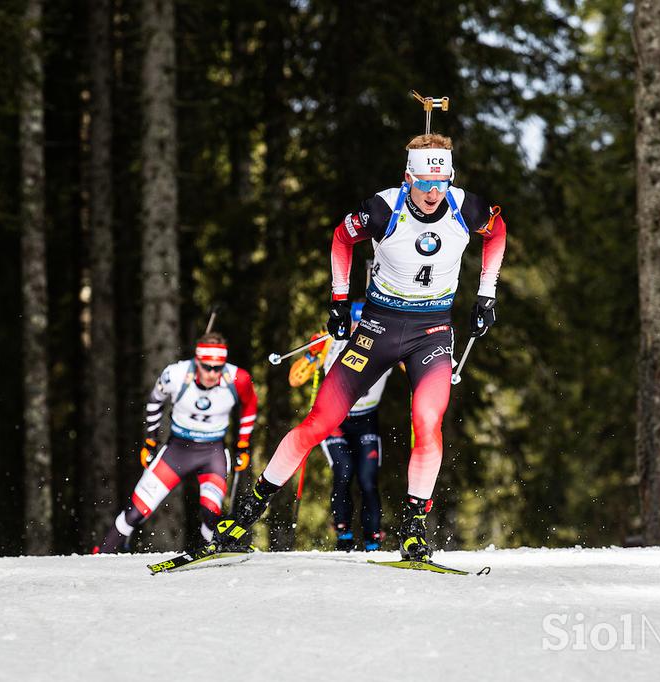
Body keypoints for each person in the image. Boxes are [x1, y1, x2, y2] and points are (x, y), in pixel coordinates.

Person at [212, 132, 507, 561]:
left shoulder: (466, 207)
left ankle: (412, 529)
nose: (431, 193)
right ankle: (241, 518)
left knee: (428, 423)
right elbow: (340, 238)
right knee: (318, 422)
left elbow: (496, 234)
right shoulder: (384, 208)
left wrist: (486, 294)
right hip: (377, 327)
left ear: (450, 179)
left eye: (439, 183)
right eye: (423, 183)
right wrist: (337, 298)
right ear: (408, 178)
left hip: (432, 331)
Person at [98, 332, 258, 552]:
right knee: (136, 512)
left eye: (217, 367)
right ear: (197, 361)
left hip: (212, 454)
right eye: (207, 367)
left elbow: (250, 406)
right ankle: (100, 555)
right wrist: (150, 442)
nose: (212, 374)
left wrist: (243, 445)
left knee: (211, 515)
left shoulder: (238, 378)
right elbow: (155, 402)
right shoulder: (175, 374)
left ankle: (207, 557)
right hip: (178, 451)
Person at [288, 302, 393, 551]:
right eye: (354, 326)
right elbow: (295, 379)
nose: (358, 331)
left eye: (363, 326)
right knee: (343, 470)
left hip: (366, 419)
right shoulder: (330, 342)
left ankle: (372, 538)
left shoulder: (385, 343)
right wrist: (312, 354)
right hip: (336, 419)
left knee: (368, 479)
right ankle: (343, 534)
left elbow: (410, 366)